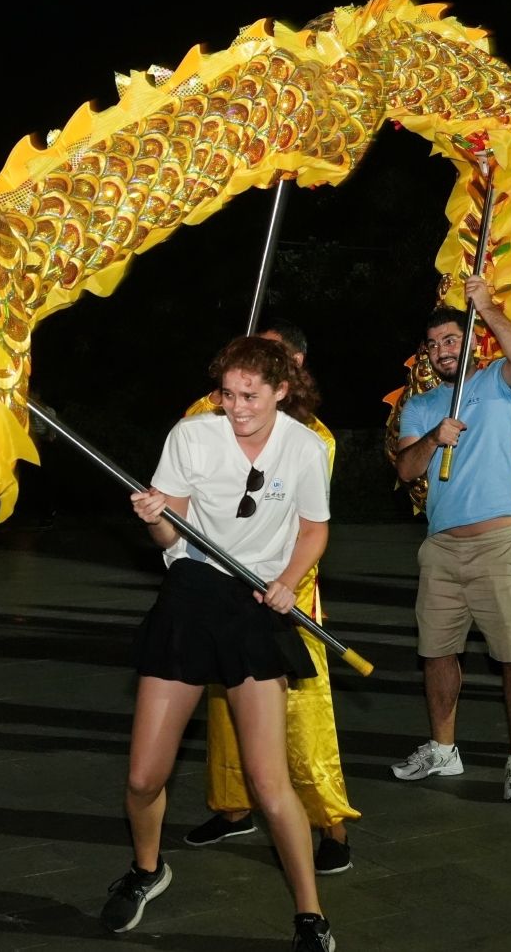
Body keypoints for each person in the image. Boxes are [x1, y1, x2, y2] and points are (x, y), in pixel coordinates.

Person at [103, 335, 336, 952]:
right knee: (143, 777)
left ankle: (311, 914)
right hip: (190, 595)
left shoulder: (306, 448)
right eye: (228, 395)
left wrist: (288, 582)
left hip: (255, 605)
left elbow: (314, 530)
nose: (236, 408)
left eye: (250, 396)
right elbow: (168, 536)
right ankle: (147, 870)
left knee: (268, 782)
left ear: (281, 390)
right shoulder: (192, 436)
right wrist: (155, 515)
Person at [181, 321, 359, 876]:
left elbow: (305, 524)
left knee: (301, 715)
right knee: (223, 701)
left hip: (287, 593)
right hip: (224, 589)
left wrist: (282, 582)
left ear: (292, 371)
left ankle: (330, 825)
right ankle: (233, 808)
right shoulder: (217, 417)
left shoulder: (315, 438)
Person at [391, 275, 511, 802]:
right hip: (441, 548)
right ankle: (443, 748)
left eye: (451, 340)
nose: (442, 351)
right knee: (436, 652)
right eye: (433, 345)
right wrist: (436, 436)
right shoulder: (421, 405)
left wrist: (489, 307)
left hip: (497, 542)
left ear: (472, 340)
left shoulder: (498, 380)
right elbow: (407, 468)